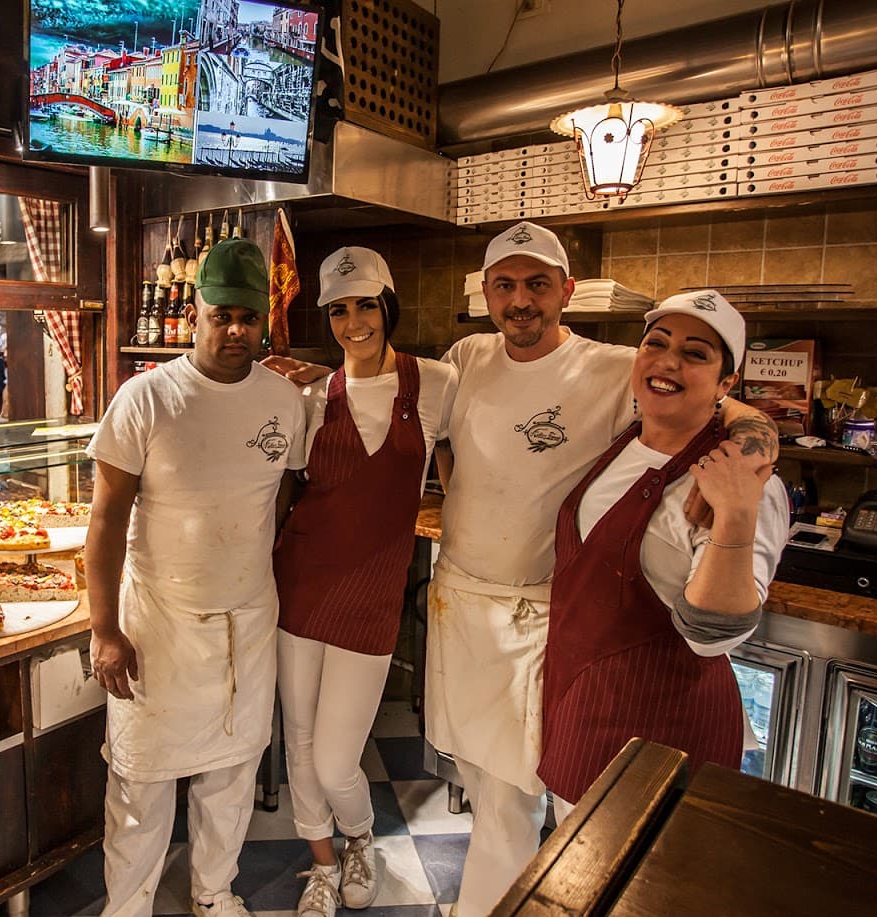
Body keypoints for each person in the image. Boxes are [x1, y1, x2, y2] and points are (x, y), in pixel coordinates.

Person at [266, 221, 777, 917]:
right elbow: (409, 410)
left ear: (566, 290)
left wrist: (749, 450)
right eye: (504, 285)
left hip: (534, 619)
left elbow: (706, 394)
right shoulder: (466, 358)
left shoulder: (613, 367)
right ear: (485, 294)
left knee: (515, 802)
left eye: (538, 284)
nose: (521, 301)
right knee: (486, 787)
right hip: (458, 604)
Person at [85, 238, 306, 917]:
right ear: (196, 315)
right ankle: (128, 907)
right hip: (160, 621)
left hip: (246, 619)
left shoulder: (284, 400)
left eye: (247, 316)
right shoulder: (146, 398)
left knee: (233, 773)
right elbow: (104, 522)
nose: (236, 329)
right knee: (140, 782)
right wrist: (105, 630)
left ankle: (213, 892)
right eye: (221, 316)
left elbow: (282, 497)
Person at [537, 290, 790, 811]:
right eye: (656, 343)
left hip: (660, 733)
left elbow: (712, 635)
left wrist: (738, 513)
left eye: (696, 353)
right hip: (581, 705)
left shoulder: (745, 482)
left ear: (726, 383)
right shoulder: (625, 439)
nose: (668, 361)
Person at [272, 248, 457, 917]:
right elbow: (286, 484)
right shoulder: (313, 396)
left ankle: (360, 838)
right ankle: (323, 862)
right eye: (340, 309)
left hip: (373, 596)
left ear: (388, 307)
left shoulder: (436, 382)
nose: (354, 321)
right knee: (300, 740)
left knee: (334, 759)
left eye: (366, 305)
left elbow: (472, 458)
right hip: (302, 585)